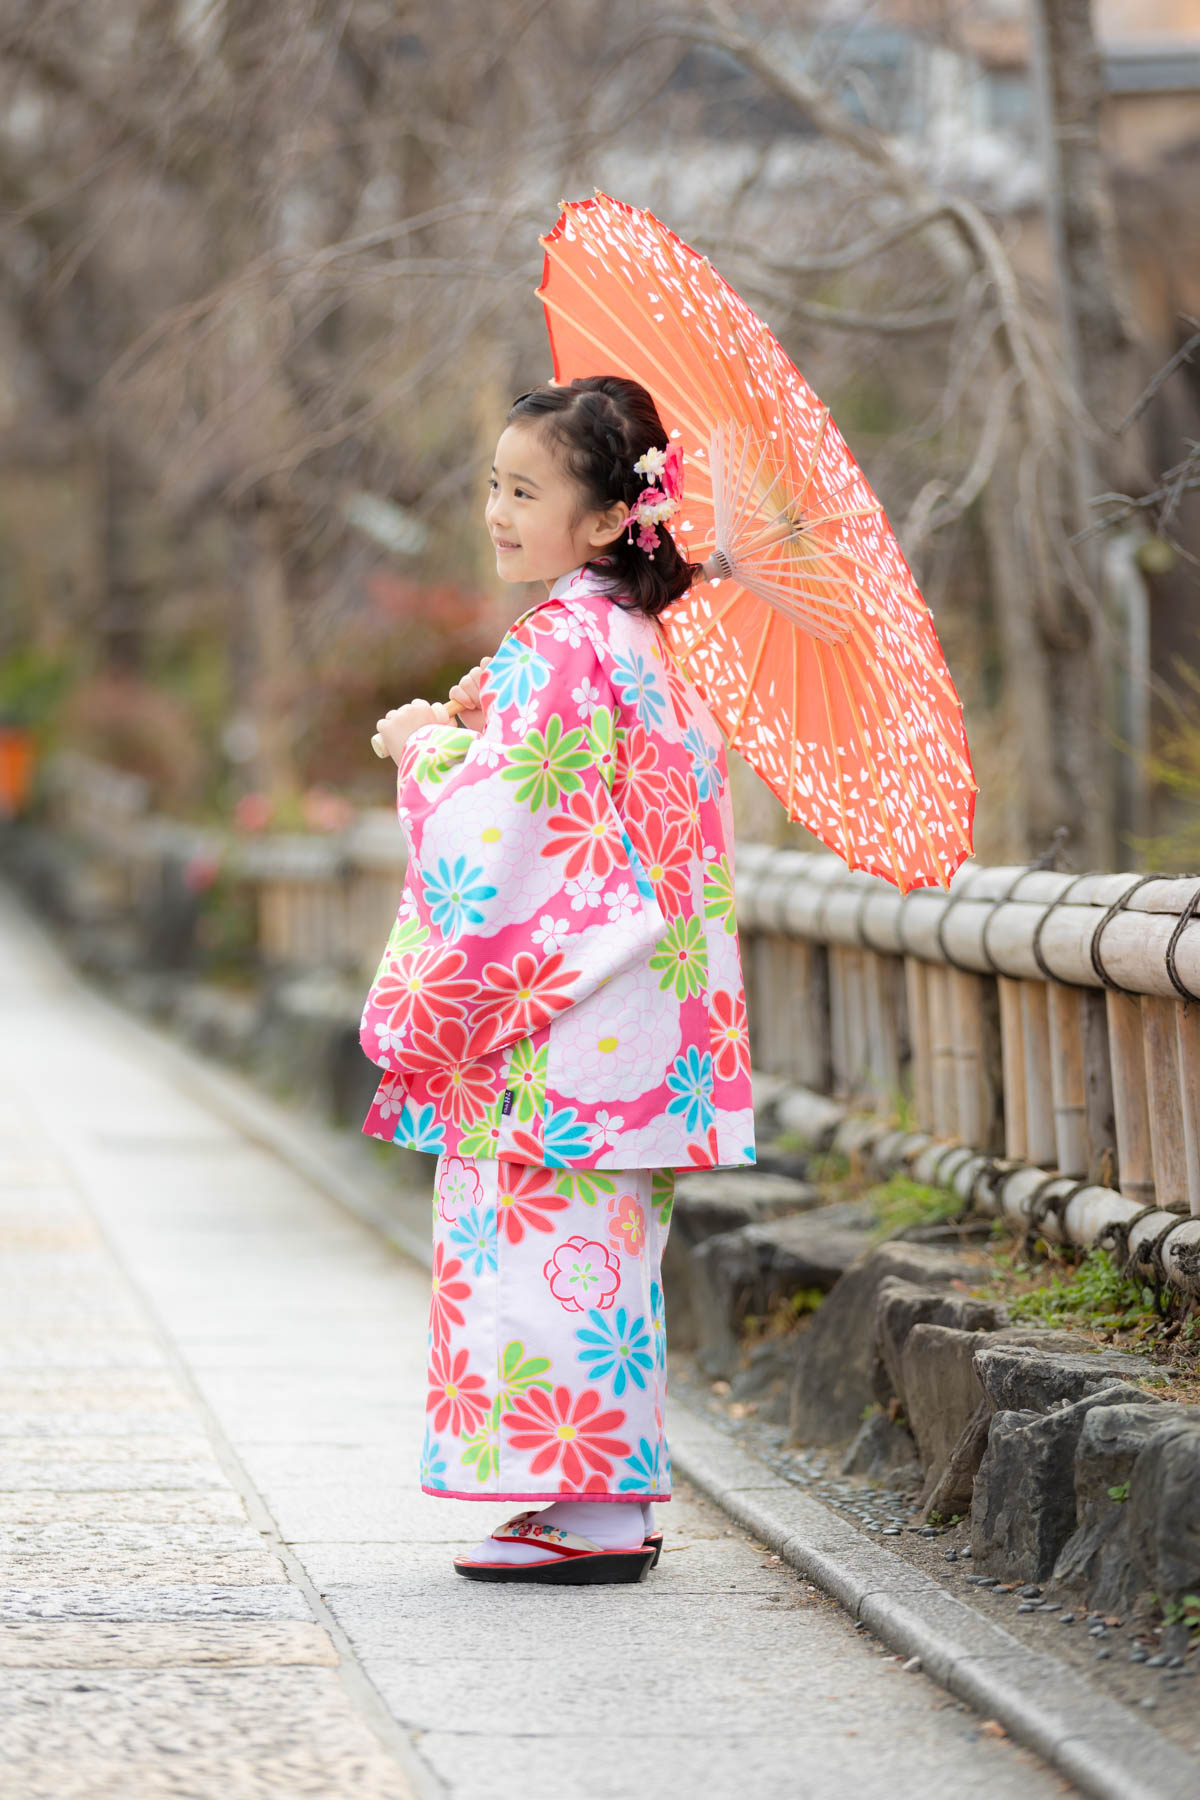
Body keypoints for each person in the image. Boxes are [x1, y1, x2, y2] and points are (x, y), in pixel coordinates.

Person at [361, 374, 755, 1583]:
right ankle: (610, 1500)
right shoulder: (642, 645)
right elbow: (594, 810)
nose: (497, 509)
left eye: (526, 491)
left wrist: (425, 750)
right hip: (646, 1013)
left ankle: (591, 1513)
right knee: (605, 1261)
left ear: (609, 519)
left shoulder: (559, 644)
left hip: (563, 1019)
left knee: (544, 1261)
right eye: (495, 484)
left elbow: (508, 838)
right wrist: (489, 724)